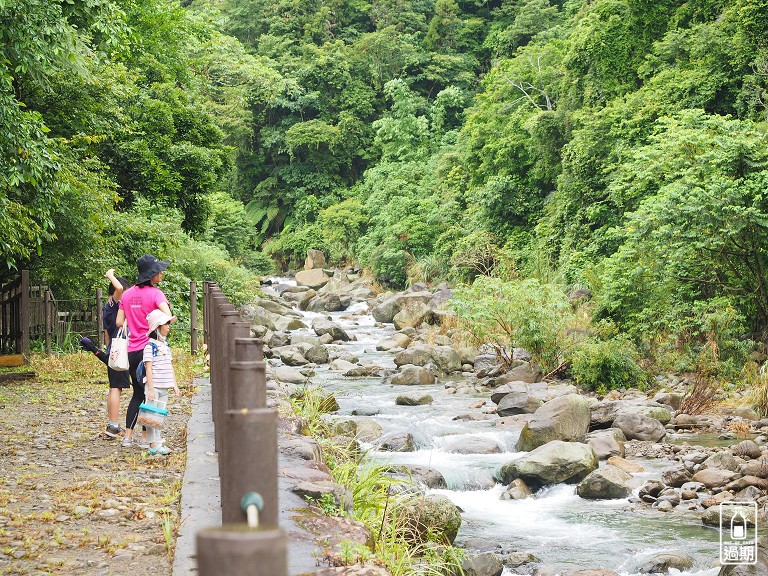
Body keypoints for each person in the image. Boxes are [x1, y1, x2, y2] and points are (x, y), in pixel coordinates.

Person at [116, 254, 172, 448]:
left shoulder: (127, 294)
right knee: (152, 394)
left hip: (132, 351)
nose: (161, 273)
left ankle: (128, 437)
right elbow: (167, 316)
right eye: (158, 271)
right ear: (151, 275)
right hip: (151, 351)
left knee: (138, 394)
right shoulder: (156, 294)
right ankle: (148, 439)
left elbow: (118, 322)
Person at [80, 269, 132, 438]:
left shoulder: (108, 309)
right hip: (121, 350)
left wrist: (109, 352)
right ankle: (113, 426)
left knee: (113, 388)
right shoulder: (113, 305)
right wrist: (110, 275)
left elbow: (106, 334)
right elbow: (120, 289)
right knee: (117, 388)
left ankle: (112, 424)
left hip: (113, 351)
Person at [140, 309, 179, 455]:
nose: (169, 326)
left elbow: (170, 366)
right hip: (154, 386)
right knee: (151, 416)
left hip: (164, 386)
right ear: (157, 327)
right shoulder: (150, 346)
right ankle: (153, 443)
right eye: (166, 324)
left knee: (159, 415)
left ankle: (157, 439)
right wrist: (150, 388)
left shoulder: (165, 346)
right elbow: (148, 368)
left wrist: (174, 384)